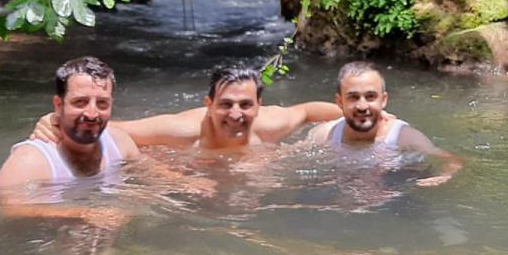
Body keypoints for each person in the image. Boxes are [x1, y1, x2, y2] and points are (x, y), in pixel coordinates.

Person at [31, 65, 343, 152]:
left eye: (246, 105)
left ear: (259, 106)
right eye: (225, 105)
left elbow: (308, 110)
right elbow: (112, 127)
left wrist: (355, 114)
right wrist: (54, 118)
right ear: (208, 105)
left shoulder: (271, 124)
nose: (236, 114)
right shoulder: (181, 130)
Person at [0, 56, 139, 228]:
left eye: (102, 103)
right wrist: (82, 214)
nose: (92, 113)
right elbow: (9, 209)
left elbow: (149, 174)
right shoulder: (30, 161)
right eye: (80, 102)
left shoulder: (120, 142)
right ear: (58, 105)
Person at [307, 61, 462, 187]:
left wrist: (443, 176)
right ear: (340, 101)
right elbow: (291, 154)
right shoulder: (324, 134)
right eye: (353, 97)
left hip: (392, 195)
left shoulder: (404, 137)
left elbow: (452, 159)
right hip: (344, 196)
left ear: (384, 100)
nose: (362, 106)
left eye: (370, 96)